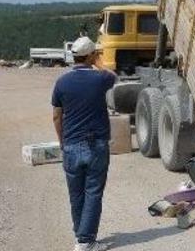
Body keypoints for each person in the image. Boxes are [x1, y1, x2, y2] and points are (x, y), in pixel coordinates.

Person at [52, 36, 116, 251]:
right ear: (91, 56)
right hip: (96, 145)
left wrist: (62, 142)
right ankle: (85, 241)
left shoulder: (62, 82)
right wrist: (98, 62)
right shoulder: (100, 79)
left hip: (71, 144)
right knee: (93, 192)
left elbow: (56, 116)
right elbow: (113, 75)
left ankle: (81, 236)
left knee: (76, 194)